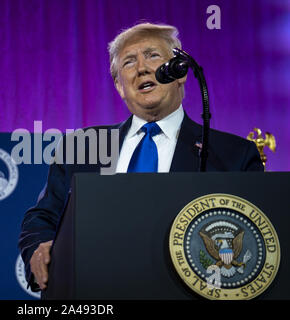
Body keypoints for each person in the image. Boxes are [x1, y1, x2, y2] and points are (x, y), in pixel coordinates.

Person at [18, 22, 263, 293]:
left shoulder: (233, 155)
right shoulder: (83, 145)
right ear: (119, 86)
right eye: (129, 62)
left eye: (153, 55)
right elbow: (43, 217)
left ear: (180, 73)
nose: (142, 68)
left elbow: (253, 238)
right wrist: (38, 249)